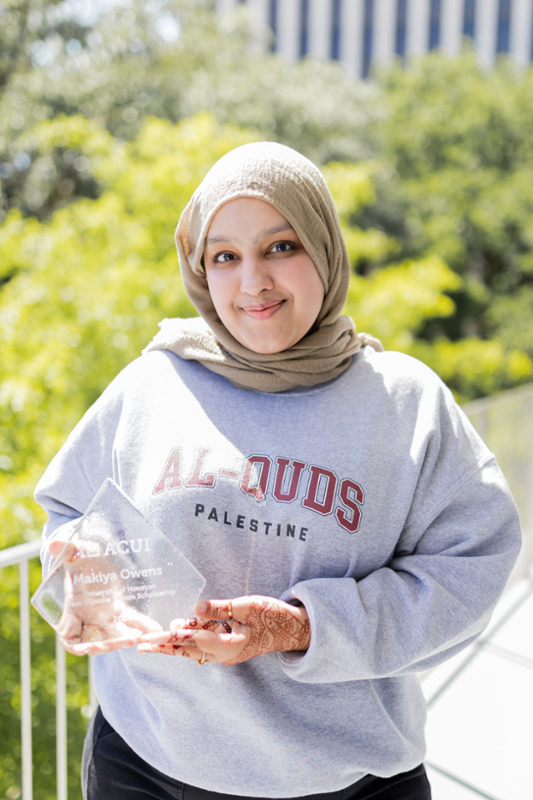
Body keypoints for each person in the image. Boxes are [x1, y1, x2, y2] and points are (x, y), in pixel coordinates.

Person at [35, 142, 521, 800]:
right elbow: (70, 515)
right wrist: (84, 572)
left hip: (344, 783)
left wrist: (299, 626)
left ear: (323, 247)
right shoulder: (153, 383)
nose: (252, 281)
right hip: (146, 766)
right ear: (200, 269)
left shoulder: (403, 402)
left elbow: (473, 566)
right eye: (224, 256)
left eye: (280, 247)